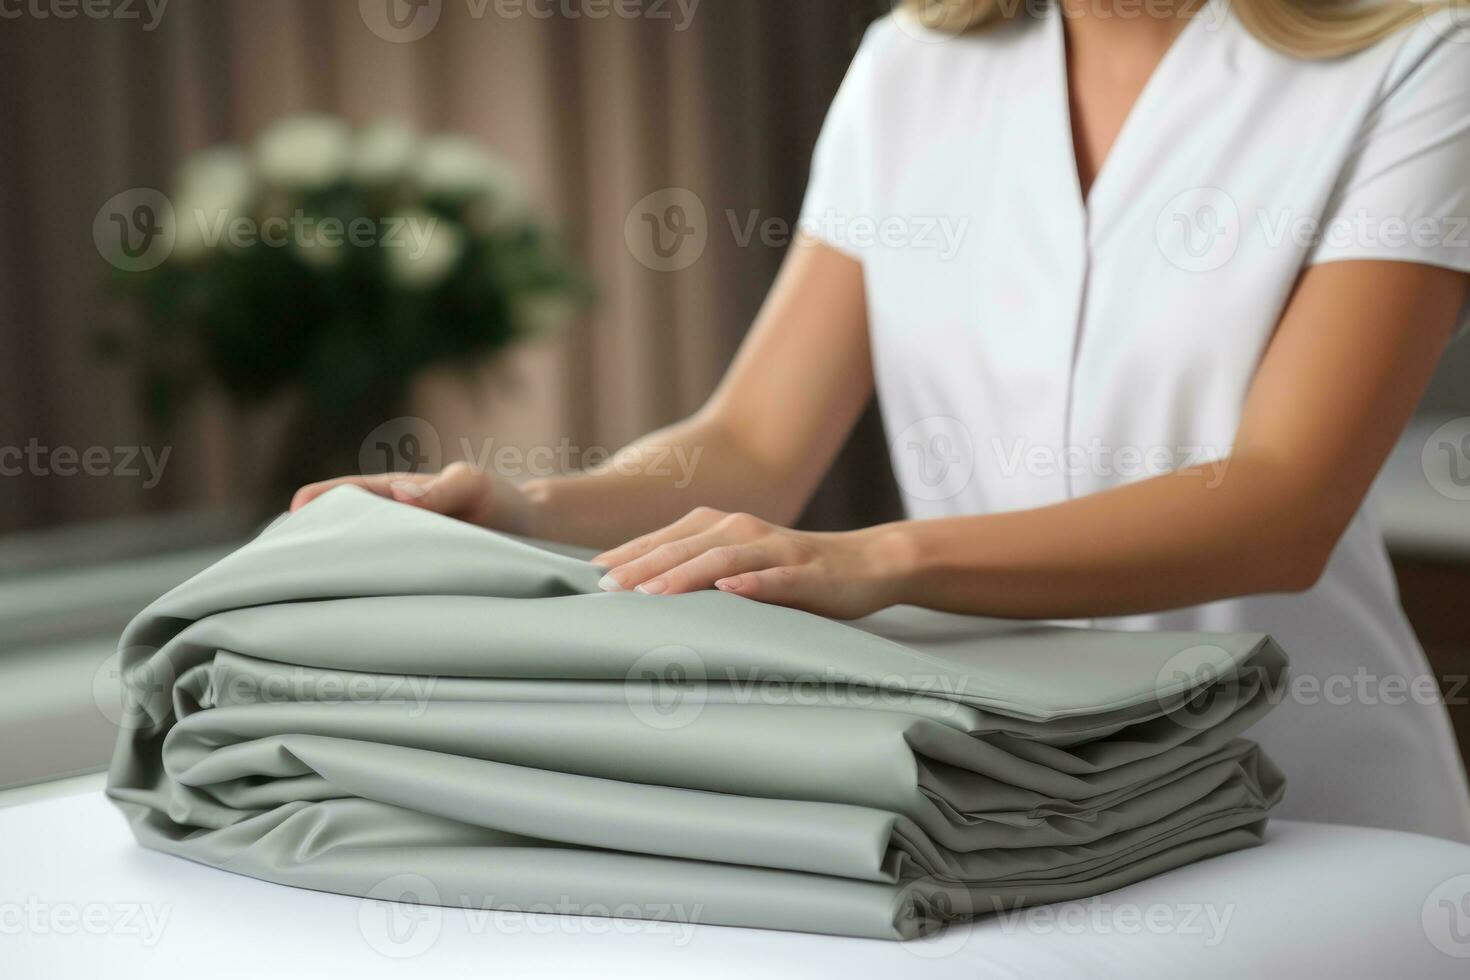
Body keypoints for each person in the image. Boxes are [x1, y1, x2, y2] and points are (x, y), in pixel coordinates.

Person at [294, 0, 1470, 841]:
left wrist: (877, 561)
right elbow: (754, 440)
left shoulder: (1420, 55)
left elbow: (1280, 500)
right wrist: (520, 505)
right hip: (1000, 793)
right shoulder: (913, 64)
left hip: (1307, 798)